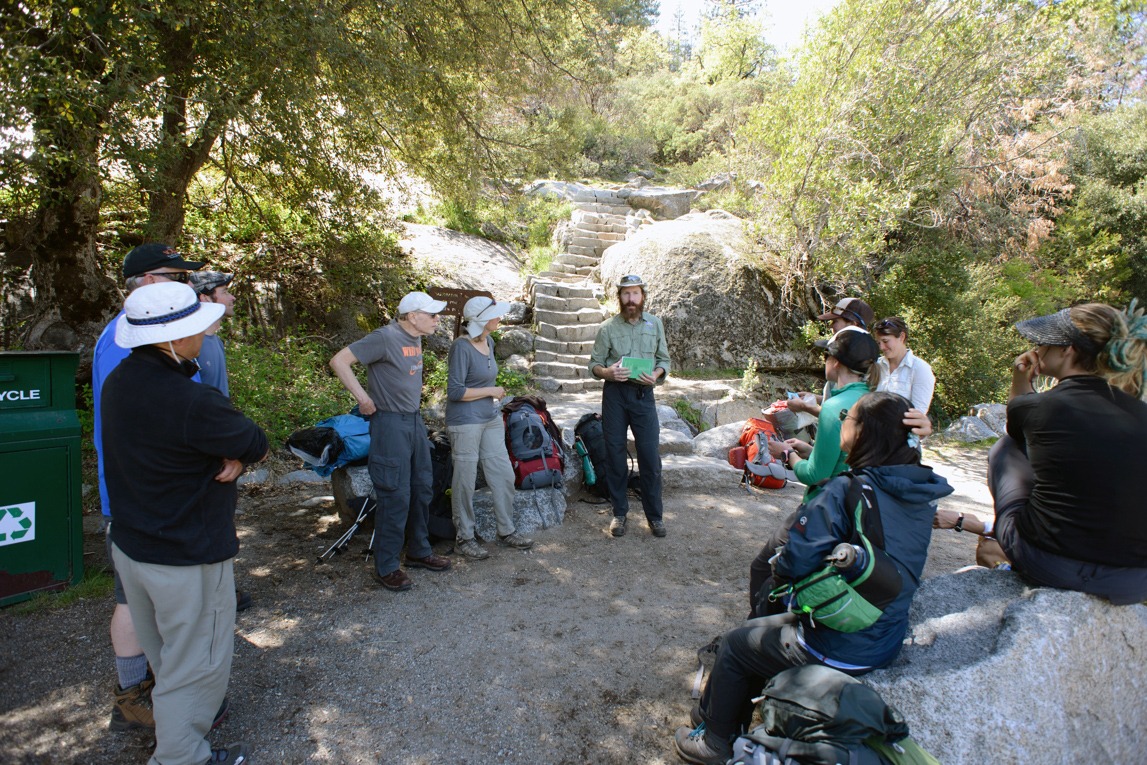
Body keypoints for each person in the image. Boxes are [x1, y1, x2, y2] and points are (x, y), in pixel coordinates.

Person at [674, 392, 953, 765]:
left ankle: (714, 742)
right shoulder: (919, 490)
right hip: (884, 634)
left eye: (848, 417)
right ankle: (716, 715)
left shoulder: (846, 489)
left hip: (840, 642)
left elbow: (792, 563)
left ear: (864, 432)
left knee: (739, 644)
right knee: (761, 630)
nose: (842, 422)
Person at [103, 281, 268, 765]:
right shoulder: (191, 400)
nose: (204, 335)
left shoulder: (120, 381)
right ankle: (181, 757)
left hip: (133, 544)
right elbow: (253, 441)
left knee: (166, 655)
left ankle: (177, 736)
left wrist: (227, 451)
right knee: (195, 664)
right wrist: (234, 454)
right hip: (185, 552)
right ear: (174, 338)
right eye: (196, 328)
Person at [933, 302, 1147, 604]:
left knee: (1006, 447)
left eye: (1044, 342)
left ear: (1067, 350)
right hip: (1133, 581)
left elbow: (1017, 427)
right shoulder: (1140, 414)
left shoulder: (1040, 407)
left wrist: (1021, 377)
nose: (1037, 348)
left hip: (1049, 564)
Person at [92, 243, 207, 732]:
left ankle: (161, 685)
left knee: (151, 599)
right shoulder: (126, 340)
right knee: (133, 601)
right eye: (176, 276)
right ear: (146, 281)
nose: (187, 284)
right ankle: (132, 695)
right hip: (138, 494)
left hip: (156, 490)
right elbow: (137, 423)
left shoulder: (152, 335)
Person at [329, 291, 453, 591]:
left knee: (422, 487)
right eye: (432, 314)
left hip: (414, 421)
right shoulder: (385, 337)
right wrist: (363, 398)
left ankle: (418, 550)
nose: (437, 319)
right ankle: (386, 566)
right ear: (412, 316)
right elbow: (339, 361)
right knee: (394, 493)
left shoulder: (416, 337)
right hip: (389, 423)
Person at [445, 295, 534, 559]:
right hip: (465, 422)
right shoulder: (461, 347)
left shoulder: (490, 341)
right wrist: (490, 391)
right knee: (465, 481)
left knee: (503, 473)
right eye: (495, 314)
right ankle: (464, 538)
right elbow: (455, 391)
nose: (500, 318)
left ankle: (506, 531)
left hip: (489, 418)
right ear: (481, 319)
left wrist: (490, 394)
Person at [588, 274, 672, 538]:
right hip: (615, 395)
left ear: (643, 296)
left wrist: (656, 374)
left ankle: (655, 517)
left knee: (649, 456)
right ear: (620, 297)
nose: (631, 299)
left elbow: (664, 360)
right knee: (614, 454)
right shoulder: (607, 328)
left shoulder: (655, 324)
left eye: (635, 293)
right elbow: (594, 364)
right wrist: (607, 373)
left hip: (644, 395)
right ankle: (619, 513)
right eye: (626, 294)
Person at [767, 327, 880, 500]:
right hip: (861, 502)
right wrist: (812, 452)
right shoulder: (876, 399)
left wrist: (787, 454)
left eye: (825, 356)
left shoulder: (833, 408)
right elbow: (847, 459)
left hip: (832, 505)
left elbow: (814, 476)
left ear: (836, 362)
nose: (824, 361)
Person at [787, 297, 875, 418]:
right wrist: (816, 398)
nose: (831, 326)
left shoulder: (865, 365)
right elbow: (838, 401)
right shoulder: (859, 357)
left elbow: (844, 417)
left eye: (835, 321)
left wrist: (805, 407)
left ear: (853, 324)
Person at [873, 316, 935, 414]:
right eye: (878, 343)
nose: (882, 347)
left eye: (885, 341)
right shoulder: (877, 366)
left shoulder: (920, 369)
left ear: (902, 337)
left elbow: (918, 412)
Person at [188, 270, 236, 397]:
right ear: (205, 298)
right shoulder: (190, 346)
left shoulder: (216, 341)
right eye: (225, 292)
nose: (233, 297)